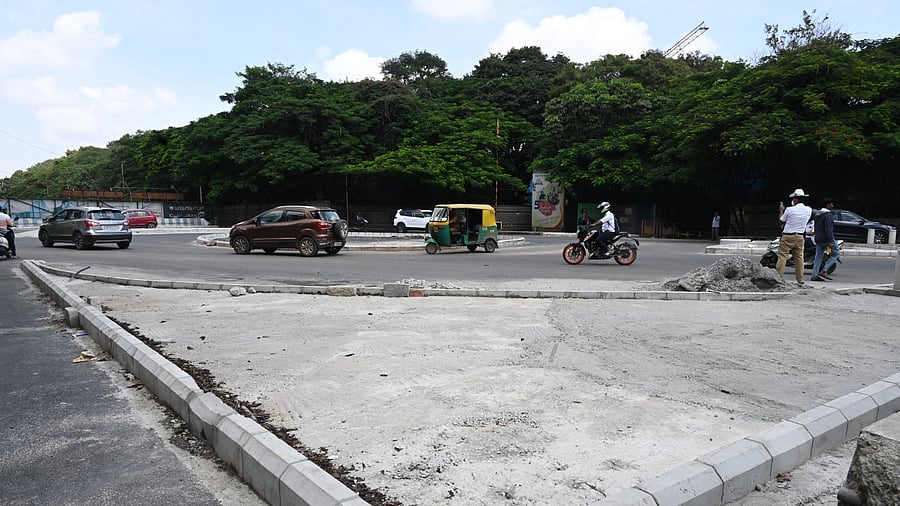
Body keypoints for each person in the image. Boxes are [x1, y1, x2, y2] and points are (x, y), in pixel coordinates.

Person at [775, 189, 812, 284]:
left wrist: (781, 210)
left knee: (783, 257)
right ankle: (800, 280)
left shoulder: (789, 209)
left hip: (787, 236)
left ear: (795, 200)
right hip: (800, 236)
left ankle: (778, 279)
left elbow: (781, 221)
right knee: (799, 258)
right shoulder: (809, 210)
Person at [811, 197, 840, 281]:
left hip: (818, 239)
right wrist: (831, 241)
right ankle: (824, 270)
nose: (832, 205)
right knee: (835, 254)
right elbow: (828, 229)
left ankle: (814, 275)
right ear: (827, 205)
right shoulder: (828, 215)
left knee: (818, 257)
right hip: (827, 240)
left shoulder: (817, 215)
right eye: (831, 204)